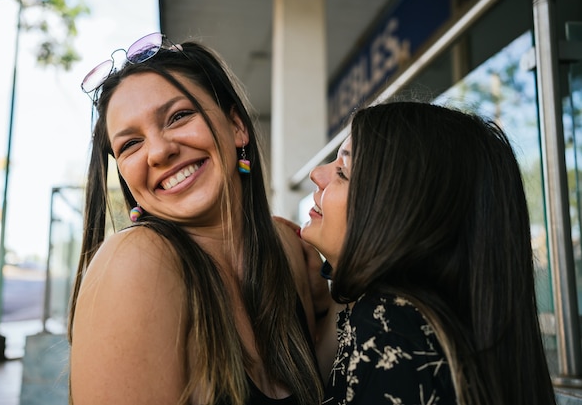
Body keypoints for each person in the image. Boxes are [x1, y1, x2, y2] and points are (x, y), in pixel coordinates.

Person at [67, 32, 326, 405]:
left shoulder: (286, 248)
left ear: (237, 127)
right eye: (130, 144)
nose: (159, 151)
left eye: (179, 116)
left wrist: (334, 290)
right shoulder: (137, 261)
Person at [300, 101, 557, 405]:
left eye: (342, 172)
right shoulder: (419, 325)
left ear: (399, 214)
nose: (317, 174)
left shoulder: (390, 333)